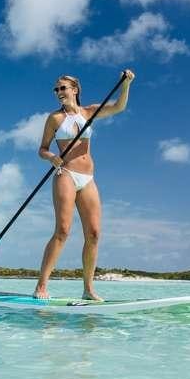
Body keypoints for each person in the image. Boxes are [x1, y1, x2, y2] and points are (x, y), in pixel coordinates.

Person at [33, 69, 135, 300]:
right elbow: (42, 149)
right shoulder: (55, 118)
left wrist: (126, 84)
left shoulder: (89, 111)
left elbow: (118, 107)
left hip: (88, 178)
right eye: (56, 89)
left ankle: (88, 290)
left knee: (94, 234)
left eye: (63, 88)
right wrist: (51, 157)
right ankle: (41, 286)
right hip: (66, 174)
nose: (58, 92)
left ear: (75, 90)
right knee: (63, 231)